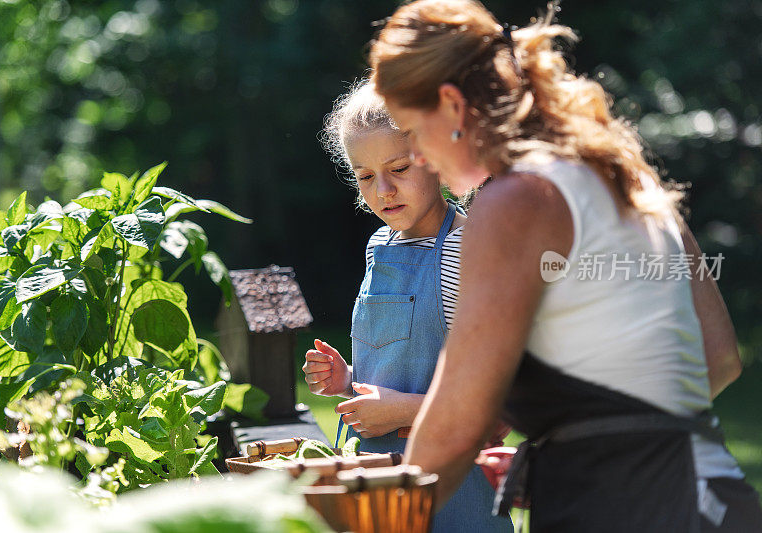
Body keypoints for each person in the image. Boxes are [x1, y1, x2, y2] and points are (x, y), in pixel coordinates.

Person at [369, 1, 762, 531]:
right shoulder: (624, 175)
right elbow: (719, 358)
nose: (416, 155)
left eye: (413, 130)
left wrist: (381, 518)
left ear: (451, 104)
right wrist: (567, 446)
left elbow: (459, 422)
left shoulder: (512, 202)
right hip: (711, 502)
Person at [302, 79, 512, 532]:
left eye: (398, 168)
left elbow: (500, 405)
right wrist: (349, 382)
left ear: (436, 159)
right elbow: (402, 371)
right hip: (377, 492)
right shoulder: (378, 245)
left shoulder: (469, 249)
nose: (382, 191)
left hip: (454, 491)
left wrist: (403, 411)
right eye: (364, 176)